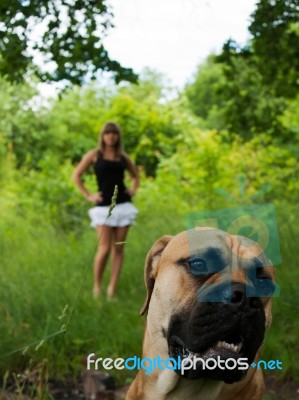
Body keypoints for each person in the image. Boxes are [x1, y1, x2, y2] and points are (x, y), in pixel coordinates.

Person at [72, 122, 139, 299]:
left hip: (124, 206)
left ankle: (112, 289)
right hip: (103, 208)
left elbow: (135, 176)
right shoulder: (95, 155)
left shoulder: (123, 157)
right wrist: (89, 196)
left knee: (119, 248)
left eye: (114, 133)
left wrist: (132, 190)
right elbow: (76, 175)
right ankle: (97, 287)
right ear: (103, 136)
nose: (111, 136)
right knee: (104, 248)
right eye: (107, 133)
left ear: (118, 136)